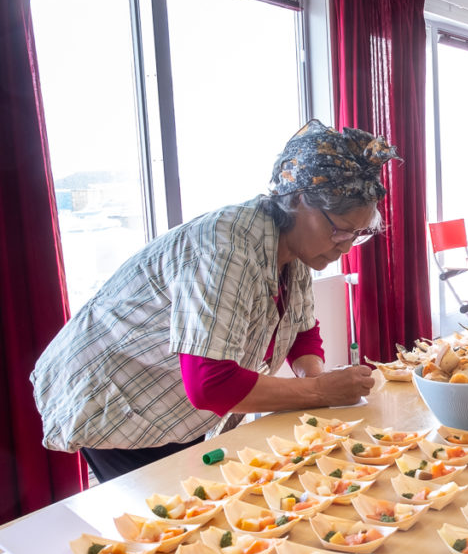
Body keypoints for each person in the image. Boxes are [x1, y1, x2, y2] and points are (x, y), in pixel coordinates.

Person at [31, 120, 394, 482]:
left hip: (171, 397)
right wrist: (317, 392)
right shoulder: (226, 248)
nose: (346, 245)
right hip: (116, 392)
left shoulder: (293, 246)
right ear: (298, 199)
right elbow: (211, 384)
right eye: (340, 229)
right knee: (171, 517)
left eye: (357, 234)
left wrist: (319, 383)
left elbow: (300, 330)